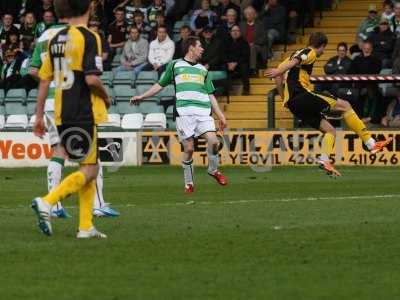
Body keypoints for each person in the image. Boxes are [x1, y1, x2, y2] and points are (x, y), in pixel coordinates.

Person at [32, 0, 112, 238]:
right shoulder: (90, 37)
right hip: (83, 110)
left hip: (61, 112)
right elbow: (92, 80)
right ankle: (48, 201)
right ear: (88, 9)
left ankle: (86, 226)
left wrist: (38, 116)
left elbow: (44, 80)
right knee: (91, 168)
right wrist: (106, 97)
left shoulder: (56, 39)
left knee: (86, 165)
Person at [265, 32, 392, 177]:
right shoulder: (310, 52)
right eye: (323, 49)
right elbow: (289, 66)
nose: (323, 52)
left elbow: (278, 78)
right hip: (302, 96)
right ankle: (370, 143)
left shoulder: (291, 55)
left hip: (294, 104)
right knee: (345, 105)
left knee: (330, 130)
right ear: (322, 46)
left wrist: (284, 99)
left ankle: (324, 160)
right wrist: (278, 70)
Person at [131, 36, 228, 193]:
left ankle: (213, 170)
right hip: (184, 113)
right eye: (200, 46)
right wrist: (142, 96)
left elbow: (211, 95)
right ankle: (189, 183)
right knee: (189, 149)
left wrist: (220, 115)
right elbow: (160, 85)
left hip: (203, 112)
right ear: (191, 48)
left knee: (214, 142)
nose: (202, 49)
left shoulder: (203, 70)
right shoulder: (175, 65)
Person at [239, 6, 267, 75]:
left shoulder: (260, 24)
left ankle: (252, 69)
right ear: (245, 15)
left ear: (254, 15)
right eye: (247, 14)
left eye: (251, 14)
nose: (249, 15)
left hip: (257, 46)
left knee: (252, 47)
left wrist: (253, 43)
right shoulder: (241, 24)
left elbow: (264, 37)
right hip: (244, 46)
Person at [226, 25, 250, 95]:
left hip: (239, 64)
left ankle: (246, 89)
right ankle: (227, 90)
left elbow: (245, 56)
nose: (235, 32)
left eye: (237, 31)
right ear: (230, 32)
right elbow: (223, 55)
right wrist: (228, 63)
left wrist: (235, 63)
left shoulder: (244, 43)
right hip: (229, 64)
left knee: (244, 66)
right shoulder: (226, 42)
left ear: (240, 33)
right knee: (223, 66)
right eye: (233, 31)